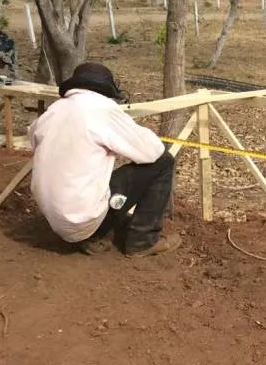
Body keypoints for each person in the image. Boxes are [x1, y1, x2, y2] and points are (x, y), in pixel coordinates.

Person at [28, 62, 181, 257]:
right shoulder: (101, 108)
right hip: (80, 220)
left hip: (53, 218)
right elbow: (153, 151)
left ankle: (89, 233)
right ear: (107, 89)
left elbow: (32, 139)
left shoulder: (54, 109)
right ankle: (142, 241)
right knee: (164, 162)